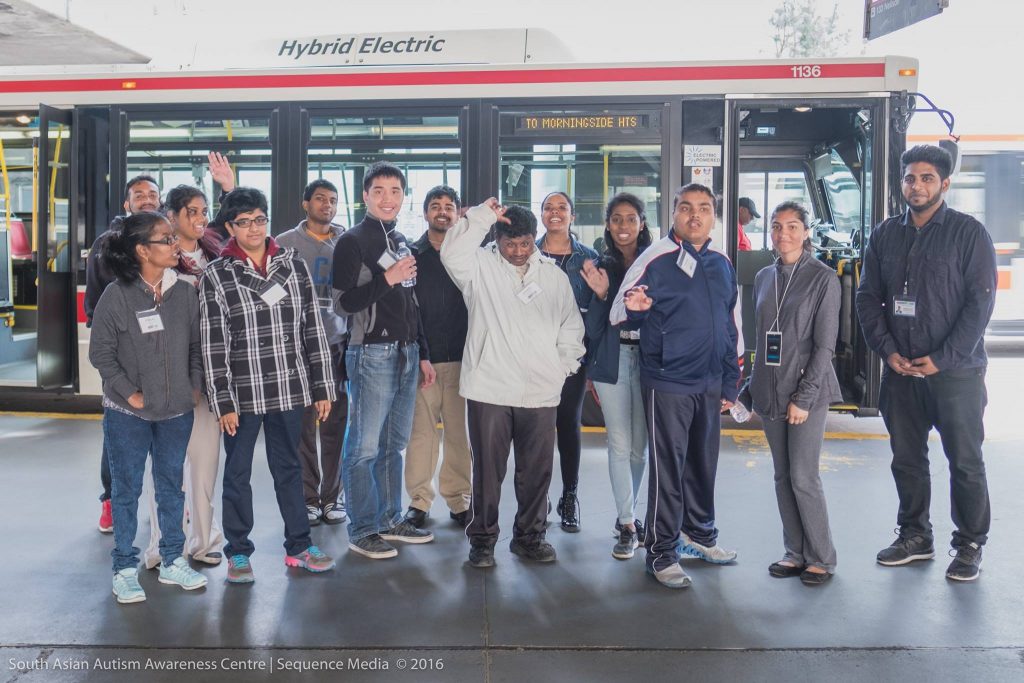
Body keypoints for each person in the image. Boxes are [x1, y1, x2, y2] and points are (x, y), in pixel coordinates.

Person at [856, 144, 997, 582]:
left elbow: (980, 305)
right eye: (910, 178)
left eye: (927, 178)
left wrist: (942, 359)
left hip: (956, 374)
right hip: (901, 372)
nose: (917, 186)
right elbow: (866, 298)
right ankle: (916, 536)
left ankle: (969, 544)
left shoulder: (968, 233)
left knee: (965, 461)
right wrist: (887, 352)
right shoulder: (884, 234)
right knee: (907, 459)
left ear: (945, 183)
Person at [200, 187, 338, 583]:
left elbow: (312, 326)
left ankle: (299, 546)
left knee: (289, 468)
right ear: (230, 227)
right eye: (244, 222)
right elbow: (214, 342)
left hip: (289, 387)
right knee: (238, 473)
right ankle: (238, 552)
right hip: (242, 395)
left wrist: (322, 385)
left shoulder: (292, 264)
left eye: (259, 219)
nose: (254, 228)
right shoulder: (217, 274)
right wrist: (222, 400)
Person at [441, 198, 585, 568]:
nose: (518, 252)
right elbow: (452, 249)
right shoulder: (477, 268)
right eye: (510, 244)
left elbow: (571, 325)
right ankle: (483, 541)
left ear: (535, 238)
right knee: (488, 472)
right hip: (490, 387)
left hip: (541, 390)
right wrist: (483, 214)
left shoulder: (553, 276)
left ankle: (529, 537)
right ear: (498, 239)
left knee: (537, 471)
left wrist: (562, 367)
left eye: (525, 244)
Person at [610, 183, 740, 589]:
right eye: (686, 208)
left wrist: (731, 381)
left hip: (710, 381)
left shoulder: (722, 262)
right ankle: (661, 551)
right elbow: (618, 310)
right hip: (667, 380)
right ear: (674, 214)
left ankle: (699, 535)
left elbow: (731, 324)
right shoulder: (655, 258)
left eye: (704, 208)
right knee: (669, 469)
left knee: (702, 463)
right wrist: (634, 308)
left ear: (713, 216)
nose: (695, 215)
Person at [89, 211, 207, 603]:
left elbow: (195, 347)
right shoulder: (116, 295)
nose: (176, 244)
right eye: (166, 239)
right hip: (129, 414)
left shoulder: (186, 292)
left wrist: (192, 388)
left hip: (176, 412)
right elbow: (101, 354)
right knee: (126, 491)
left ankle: (173, 559)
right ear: (142, 250)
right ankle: (124, 567)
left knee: (171, 488)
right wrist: (130, 393)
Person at [332, 162, 436, 560]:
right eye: (379, 191)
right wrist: (386, 279)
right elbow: (342, 303)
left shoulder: (402, 240)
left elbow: (413, 304)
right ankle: (361, 528)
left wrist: (422, 352)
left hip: (407, 352)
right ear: (365, 196)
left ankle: (391, 520)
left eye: (395, 191)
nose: (388, 198)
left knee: (394, 445)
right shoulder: (352, 242)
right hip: (371, 352)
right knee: (364, 446)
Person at [739, 201, 841, 586]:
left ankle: (821, 557)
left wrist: (805, 395)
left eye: (793, 226)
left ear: (806, 232)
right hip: (770, 389)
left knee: (803, 476)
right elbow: (761, 340)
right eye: (778, 227)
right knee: (782, 477)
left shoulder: (823, 278)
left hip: (806, 392)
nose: (784, 234)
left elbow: (825, 346)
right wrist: (749, 389)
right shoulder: (764, 276)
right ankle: (794, 552)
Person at [140, 185, 226, 570]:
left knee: (205, 463)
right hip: (168, 377)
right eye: (191, 211)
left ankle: (205, 541)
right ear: (171, 215)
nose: (200, 218)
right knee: (165, 468)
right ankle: (161, 544)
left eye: (203, 211)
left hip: (210, 376)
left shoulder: (214, 253)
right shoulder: (159, 259)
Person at [85, 175, 161, 535]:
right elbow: (96, 305)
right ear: (126, 204)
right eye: (138, 195)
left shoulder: (167, 240)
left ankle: (169, 501)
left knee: (169, 427)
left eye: (152, 194)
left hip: (164, 351)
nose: (146, 199)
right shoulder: (107, 245)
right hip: (123, 353)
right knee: (119, 430)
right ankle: (111, 500)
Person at [580, 193, 653, 560]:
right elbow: (593, 329)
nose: (623, 226)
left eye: (631, 218)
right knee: (620, 445)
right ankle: (627, 523)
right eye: (616, 219)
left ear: (642, 223)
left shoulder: (656, 263)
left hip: (650, 361)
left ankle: (629, 511)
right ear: (608, 225)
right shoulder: (600, 265)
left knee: (641, 449)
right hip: (612, 360)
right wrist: (603, 294)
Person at [276, 179, 349, 527]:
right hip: (298, 349)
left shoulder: (346, 241)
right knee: (302, 427)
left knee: (335, 424)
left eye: (333, 200)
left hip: (337, 346)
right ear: (306, 204)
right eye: (320, 199)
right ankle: (308, 497)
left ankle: (333, 496)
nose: (327, 205)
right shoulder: (284, 244)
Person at [403, 186, 472, 529]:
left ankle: (459, 500)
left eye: (449, 206)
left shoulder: (472, 256)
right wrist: (420, 354)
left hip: (464, 360)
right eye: (435, 206)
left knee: (460, 434)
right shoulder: (412, 256)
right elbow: (408, 311)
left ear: (459, 213)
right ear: (426, 213)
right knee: (422, 435)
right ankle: (419, 501)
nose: (442, 211)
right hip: (424, 361)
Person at [537, 191, 598, 532]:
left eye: (562, 208)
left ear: (572, 216)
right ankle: (539, 498)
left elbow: (596, 311)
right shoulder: (524, 253)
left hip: (574, 358)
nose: (555, 213)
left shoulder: (588, 259)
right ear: (541, 215)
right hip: (532, 357)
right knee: (537, 429)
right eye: (549, 208)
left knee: (567, 425)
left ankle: (569, 496)